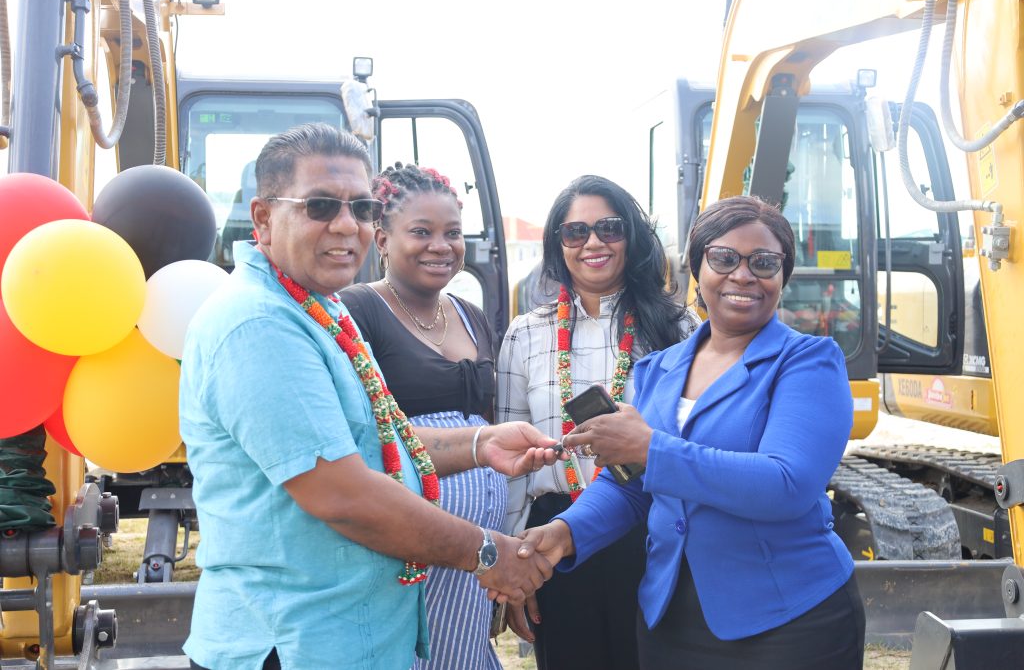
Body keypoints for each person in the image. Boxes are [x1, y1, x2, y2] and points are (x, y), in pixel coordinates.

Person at [178, 123, 563, 670]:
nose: (346, 225)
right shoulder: (258, 324)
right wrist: (486, 552)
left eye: (361, 208)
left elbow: (370, 441)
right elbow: (344, 495)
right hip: (294, 646)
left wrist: (480, 444)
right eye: (319, 206)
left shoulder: (318, 303)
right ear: (262, 218)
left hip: (356, 641)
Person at [520, 195, 866, 670]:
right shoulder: (657, 370)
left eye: (763, 262)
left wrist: (651, 449)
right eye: (724, 258)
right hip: (670, 618)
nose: (743, 275)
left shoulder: (808, 362)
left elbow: (787, 485)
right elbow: (630, 485)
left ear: (782, 275)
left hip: (789, 620)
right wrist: (565, 532)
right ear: (697, 266)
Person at [497, 175, 698, 670]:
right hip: (556, 536)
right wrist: (515, 564)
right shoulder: (525, 334)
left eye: (609, 228)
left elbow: (694, 441)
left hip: (651, 527)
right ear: (558, 243)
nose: (593, 242)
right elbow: (510, 465)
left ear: (631, 236)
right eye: (576, 231)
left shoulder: (679, 329)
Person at [339, 162, 504, 670]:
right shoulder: (358, 311)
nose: (441, 246)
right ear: (382, 240)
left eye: (452, 233)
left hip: (475, 557)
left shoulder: (470, 315)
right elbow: (360, 434)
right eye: (421, 232)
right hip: (406, 548)